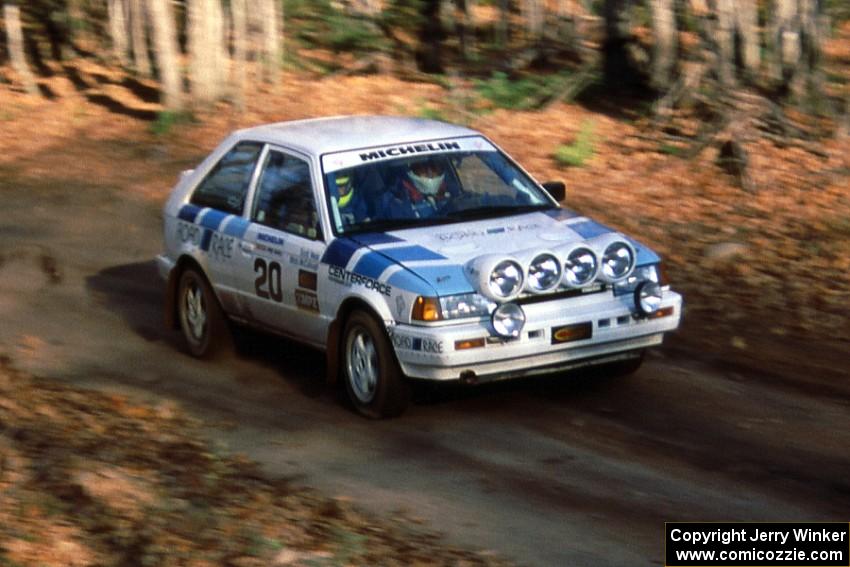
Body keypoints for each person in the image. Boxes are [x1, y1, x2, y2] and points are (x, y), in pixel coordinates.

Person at [379, 157, 455, 220]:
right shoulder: (395, 199)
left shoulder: (452, 194)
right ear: (410, 172)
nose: (430, 175)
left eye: (435, 170)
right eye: (423, 170)